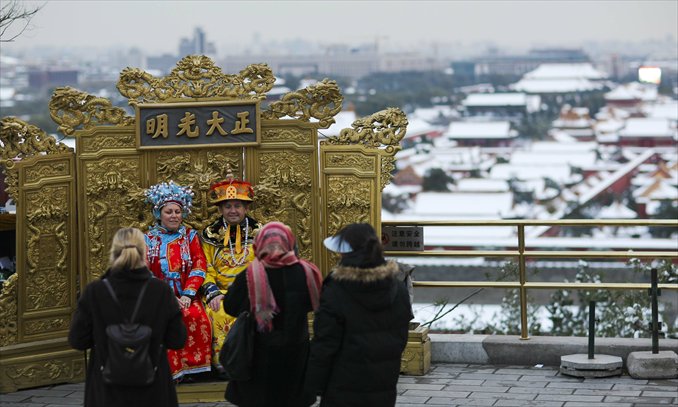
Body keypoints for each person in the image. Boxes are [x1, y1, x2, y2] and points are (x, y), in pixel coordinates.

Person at [68, 227, 187, 407]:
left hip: (106, 388)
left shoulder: (95, 291)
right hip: (153, 387)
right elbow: (177, 339)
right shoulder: (161, 291)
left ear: (113, 252)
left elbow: (78, 340)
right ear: (144, 252)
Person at [306, 223, 413, 407]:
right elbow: (401, 336)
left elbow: (325, 343)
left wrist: (313, 384)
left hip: (343, 384)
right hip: (383, 383)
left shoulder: (336, 290)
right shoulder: (397, 288)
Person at [222, 221, 322, 407]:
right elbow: (314, 304)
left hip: (259, 353)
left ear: (259, 244)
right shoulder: (306, 272)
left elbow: (230, 307)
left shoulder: (249, 275)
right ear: (290, 243)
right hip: (296, 351)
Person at [144, 181, 212, 381]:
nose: (174, 216)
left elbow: (199, 264)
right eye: (168, 212)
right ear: (159, 214)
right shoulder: (148, 238)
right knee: (165, 318)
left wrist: (188, 294)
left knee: (196, 316)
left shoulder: (190, 236)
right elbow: (145, 272)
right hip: (159, 296)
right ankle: (172, 371)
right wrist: (166, 297)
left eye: (177, 211)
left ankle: (196, 371)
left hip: (187, 294)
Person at [201, 170, 260, 376]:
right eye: (228, 206)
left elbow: (264, 265)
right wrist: (213, 292)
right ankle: (224, 364)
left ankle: (252, 362)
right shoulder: (210, 234)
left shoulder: (258, 232)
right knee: (218, 311)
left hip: (252, 289)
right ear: (221, 209)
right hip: (221, 292)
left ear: (246, 208)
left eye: (237, 206)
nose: (232, 210)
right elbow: (205, 266)